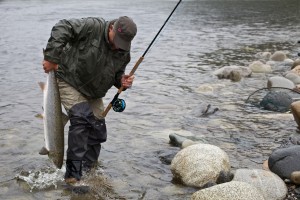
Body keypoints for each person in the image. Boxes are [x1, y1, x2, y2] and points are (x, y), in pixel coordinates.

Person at [42, 16, 137, 184]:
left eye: (123, 44)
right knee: (81, 118)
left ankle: (88, 171)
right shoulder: (92, 27)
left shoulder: (123, 50)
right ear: (111, 29)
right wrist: (51, 57)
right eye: (117, 41)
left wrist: (122, 80)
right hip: (68, 79)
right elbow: (63, 26)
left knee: (97, 128)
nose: (118, 47)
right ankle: (72, 176)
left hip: (93, 92)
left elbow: (116, 74)